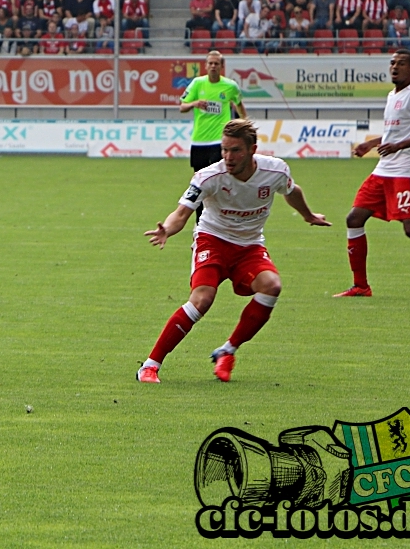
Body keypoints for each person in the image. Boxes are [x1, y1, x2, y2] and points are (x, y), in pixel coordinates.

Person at [137, 119, 331, 384]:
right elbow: (182, 212)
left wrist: (308, 215)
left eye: (235, 150)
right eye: (224, 149)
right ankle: (150, 366)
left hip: (250, 246)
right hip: (212, 240)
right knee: (202, 300)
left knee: (272, 286)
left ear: (252, 149)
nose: (228, 157)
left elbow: (291, 191)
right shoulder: (209, 176)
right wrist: (167, 230)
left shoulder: (275, 171)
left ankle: (227, 350)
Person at [336, 50, 410, 297]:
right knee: (354, 218)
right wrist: (371, 143)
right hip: (385, 168)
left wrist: (397, 146)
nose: (395, 67)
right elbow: (395, 134)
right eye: (392, 63)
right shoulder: (393, 95)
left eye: (401, 63)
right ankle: (361, 286)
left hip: (407, 169)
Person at [180, 51, 246, 219]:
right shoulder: (197, 83)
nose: (213, 66)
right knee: (199, 182)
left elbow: (239, 104)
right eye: (210, 63)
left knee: (222, 179)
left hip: (220, 141)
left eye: (217, 63)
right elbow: (182, 106)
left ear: (222, 66)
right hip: (199, 141)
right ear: (206, 65)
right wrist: (195, 103)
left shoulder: (230, 86)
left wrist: (245, 125)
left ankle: (223, 217)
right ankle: (200, 222)